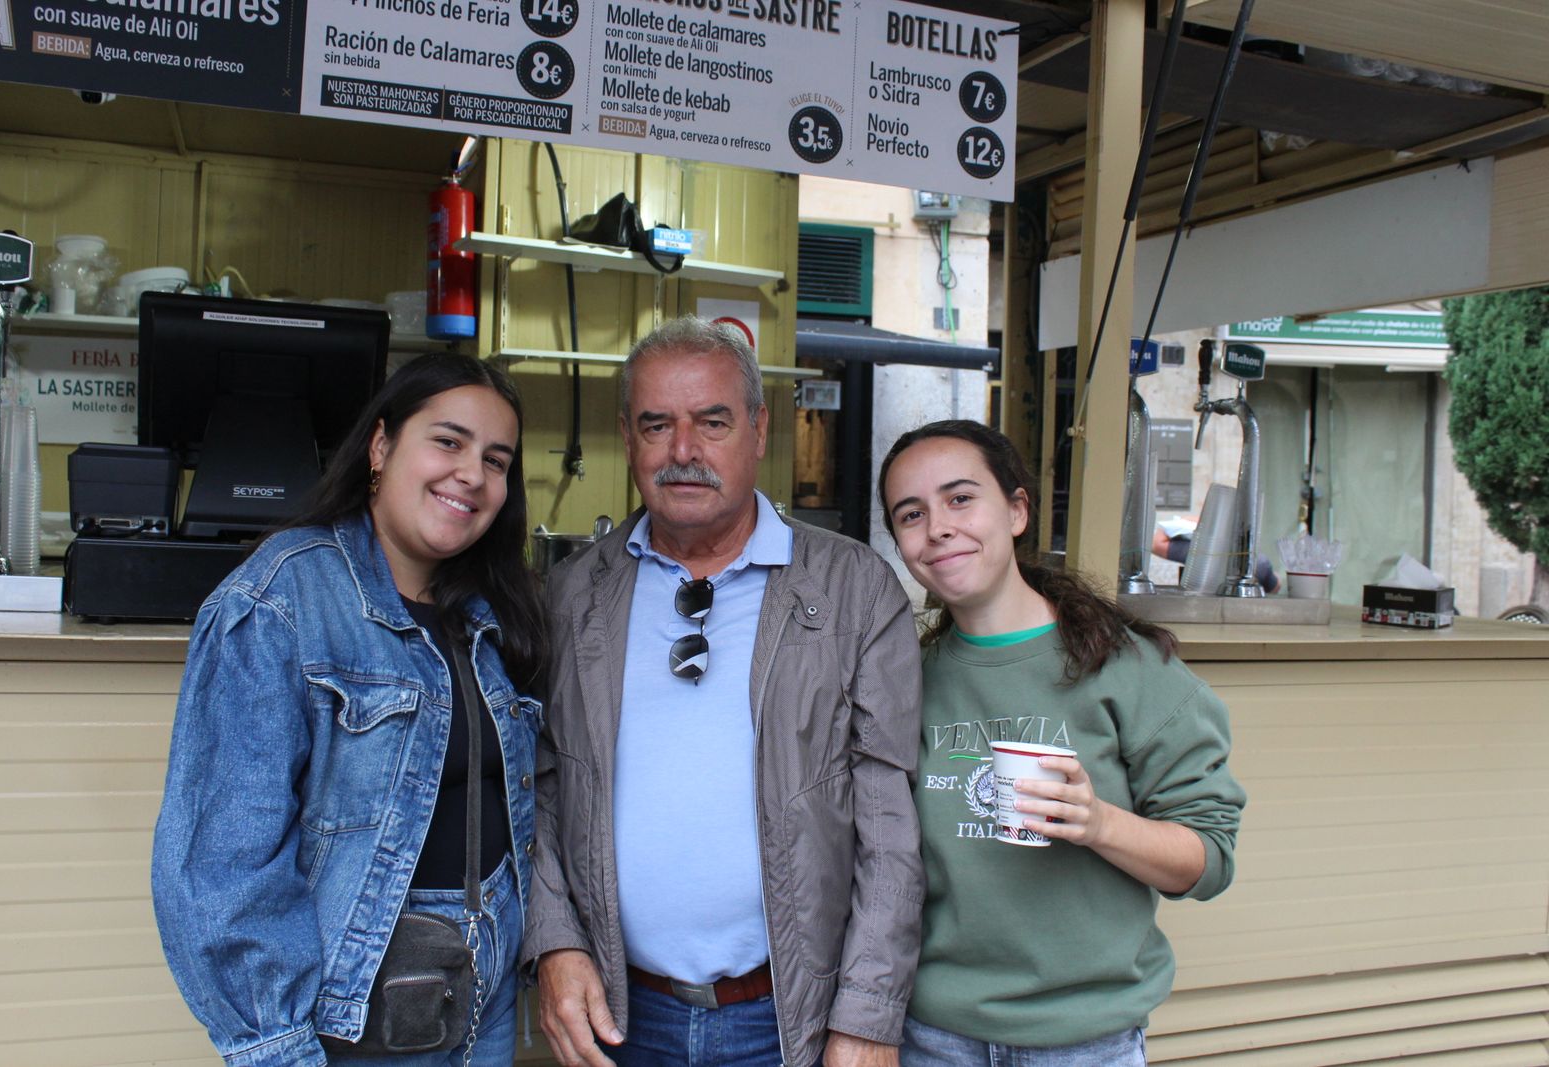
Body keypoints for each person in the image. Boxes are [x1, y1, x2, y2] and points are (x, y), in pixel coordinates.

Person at [524, 316, 924, 1067]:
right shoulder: (576, 592)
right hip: (615, 1016)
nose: (683, 451)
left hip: (784, 1022)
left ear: (759, 429)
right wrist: (553, 941)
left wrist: (868, 1016)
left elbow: (890, 822)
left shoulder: (853, 590)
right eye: (657, 425)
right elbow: (539, 787)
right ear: (627, 437)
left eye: (712, 421)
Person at [152, 353, 547, 1066]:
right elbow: (220, 865)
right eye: (448, 441)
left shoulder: (490, 611)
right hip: (355, 1010)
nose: (472, 474)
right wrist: (274, 1044)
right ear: (381, 444)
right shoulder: (279, 598)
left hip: (481, 1001)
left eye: (496, 459)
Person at [876, 420, 1246, 1067]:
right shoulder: (908, 681)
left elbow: (1208, 859)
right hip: (933, 1037)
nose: (937, 526)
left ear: (1017, 509)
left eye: (961, 498)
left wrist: (1099, 822)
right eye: (911, 513)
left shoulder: (1126, 668)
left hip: (1086, 1042)